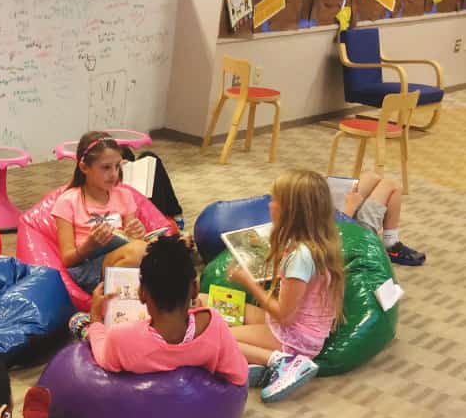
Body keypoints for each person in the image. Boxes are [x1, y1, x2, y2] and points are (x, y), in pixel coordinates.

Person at [226, 169, 346, 403]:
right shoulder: (316, 243)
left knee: (220, 338)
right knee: (233, 310)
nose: (270, 205)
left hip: (296, 336)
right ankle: (263, 364)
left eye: (274, 200)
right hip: (302, 329)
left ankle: (283, 362)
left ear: (290, 211)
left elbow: (284, 316)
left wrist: (248, 281)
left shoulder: (301, 256)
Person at [80, 235, 248, 386]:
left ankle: (85, 327)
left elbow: (102, 357)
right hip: (194, 408)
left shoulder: (120, 337)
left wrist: (95, 318)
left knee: (78, 321)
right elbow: (239, 375)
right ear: (195, 289)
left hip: (139, 405)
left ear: (141, 294)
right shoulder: (214, 324)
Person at [53, 131, 153, 294]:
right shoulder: (68, 201)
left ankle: (128, 301)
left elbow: (133, 240)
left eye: (117, 166)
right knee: (139, 252)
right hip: (88, 267)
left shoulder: (124, 195)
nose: (114, 174)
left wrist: (137, 233)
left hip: (124, 257)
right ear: (84, 167)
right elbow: (67, 260)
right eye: (106, 167)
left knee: (147, 250)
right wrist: (89, 245)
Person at [341, 171, 425, 266]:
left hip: (336, 219)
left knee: (372, 177)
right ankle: (391, 244)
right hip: (344, 234)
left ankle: (390, 243)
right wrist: (351, 206)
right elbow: (341, 227)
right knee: (392, 185)